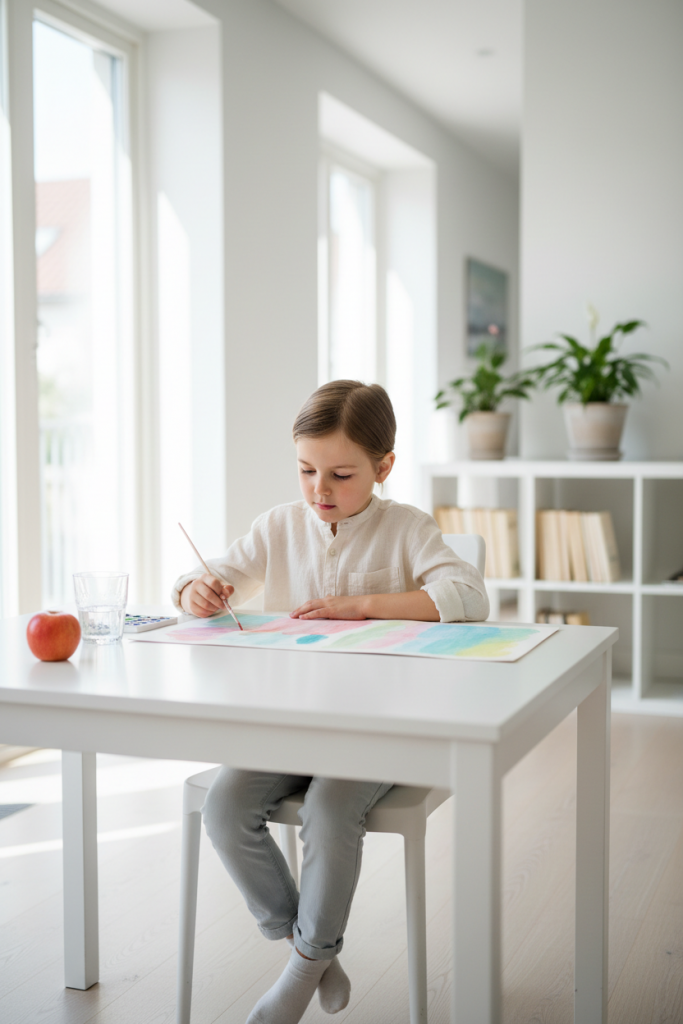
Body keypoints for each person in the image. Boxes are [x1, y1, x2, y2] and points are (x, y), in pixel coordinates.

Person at [172, 380, 489, 1024]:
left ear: (383, 467)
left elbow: (468, 598)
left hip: (383, 727)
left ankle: (302, 967)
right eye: (306, 470)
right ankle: (309, 952)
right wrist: (194, 592)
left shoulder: (406, 528)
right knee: (226, 806)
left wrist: (361, 605)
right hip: (292, 725)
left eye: (341, 474)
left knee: (330, 807)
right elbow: (202, 578)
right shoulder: (279, 527)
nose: (320, 489)